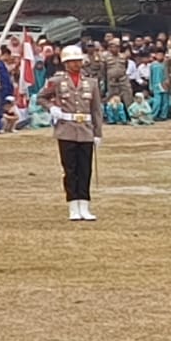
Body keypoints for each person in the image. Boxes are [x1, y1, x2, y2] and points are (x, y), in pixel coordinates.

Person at [39, 44, 104, 222]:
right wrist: (52, 108)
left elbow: (96, 109)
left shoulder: (91, 82)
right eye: (72, 62)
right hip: (66, 129)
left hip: (85, 130)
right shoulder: (57, 81)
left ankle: (84, 204)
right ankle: (73, 205)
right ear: (65, 64)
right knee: (70, 169)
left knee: (85, 169)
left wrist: (98, 133)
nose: (76, 64)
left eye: (78, 61)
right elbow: (41, 97)